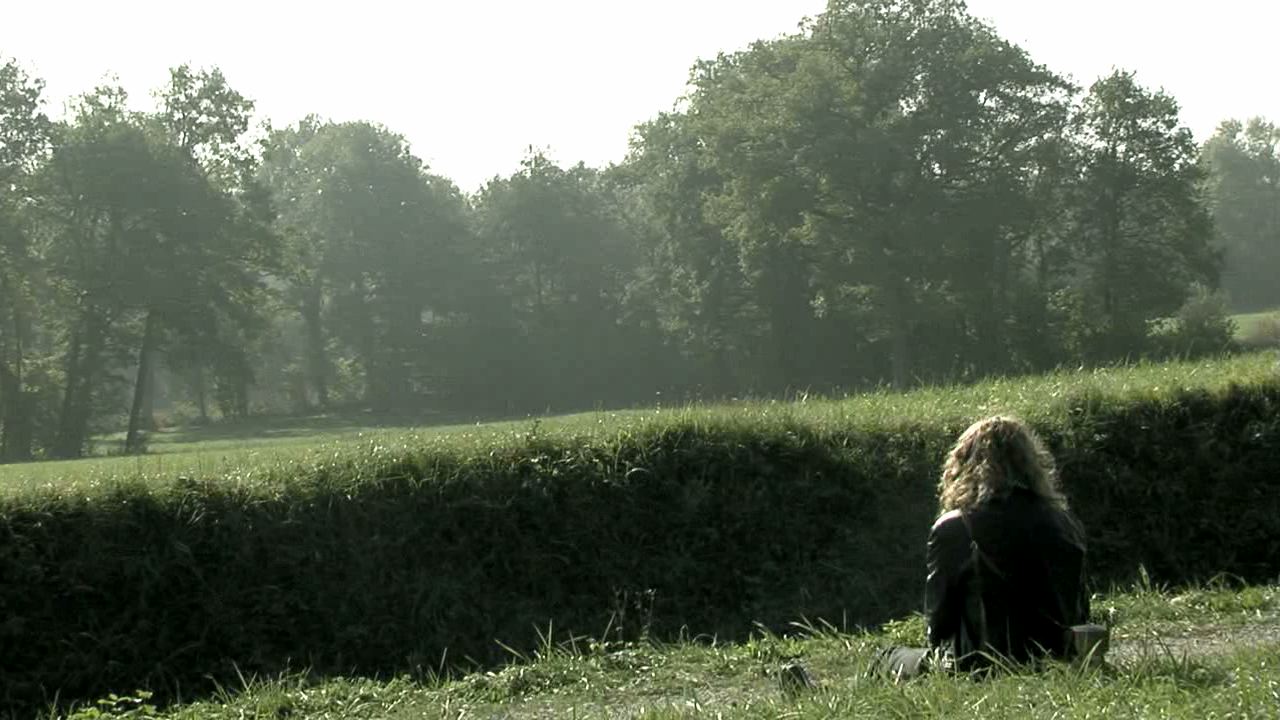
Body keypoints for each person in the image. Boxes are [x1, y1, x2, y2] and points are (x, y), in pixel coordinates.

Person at [871, 415, 1093, 680]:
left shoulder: (956, 527)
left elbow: (939, 623)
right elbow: (1080, 609)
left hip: (977, 663)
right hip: (1055, 659)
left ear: (965, 465)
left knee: (886, 657)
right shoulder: (1064, 522)